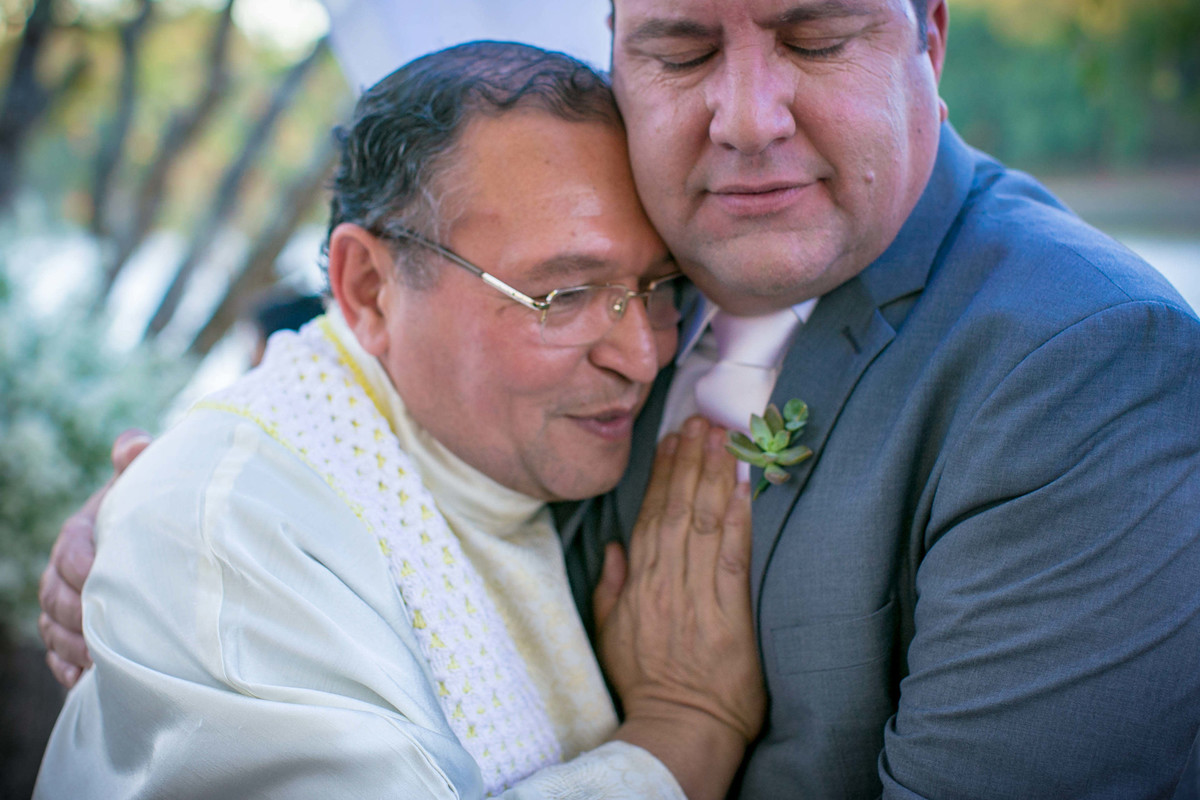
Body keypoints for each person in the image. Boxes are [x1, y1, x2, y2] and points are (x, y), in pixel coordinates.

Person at [42, 1, 1200, 797]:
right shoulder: (648, 225)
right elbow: (401, 365)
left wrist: (682, 736)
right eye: (682, 52)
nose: (746, 117)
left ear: (929, 38)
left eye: (816, 36)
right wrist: (182, 509)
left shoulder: (1089, 367)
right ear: (621, 59)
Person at [34, 42, 763, 799]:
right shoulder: (233, 533)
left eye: (660, 288)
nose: (643, 356)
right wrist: (685, 729)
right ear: (370, 288)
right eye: (566, 296)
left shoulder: (497, 436)